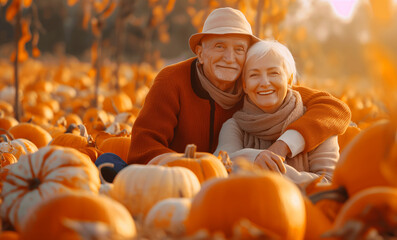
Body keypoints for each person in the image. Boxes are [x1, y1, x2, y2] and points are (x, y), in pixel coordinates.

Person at [127, 7, 350, 165]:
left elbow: (335, 109)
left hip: (231, 181)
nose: (229, 58)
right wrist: (190, 169)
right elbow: (142, 148)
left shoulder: (254, 85)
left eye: (239, 49)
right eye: (220, 46)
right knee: (112, 164)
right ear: (201, 53)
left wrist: (282, 146)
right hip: (177, 181)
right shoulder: (172, 81)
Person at [214, 40, 339, 183]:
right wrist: (254, 159)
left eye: (274, 73)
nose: (265, 82)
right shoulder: (234, 126)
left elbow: (329, 183)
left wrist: (271, 172)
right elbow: (220, 164)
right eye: (254, 75)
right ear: (245, 85)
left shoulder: (316, 122)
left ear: (290, 80)